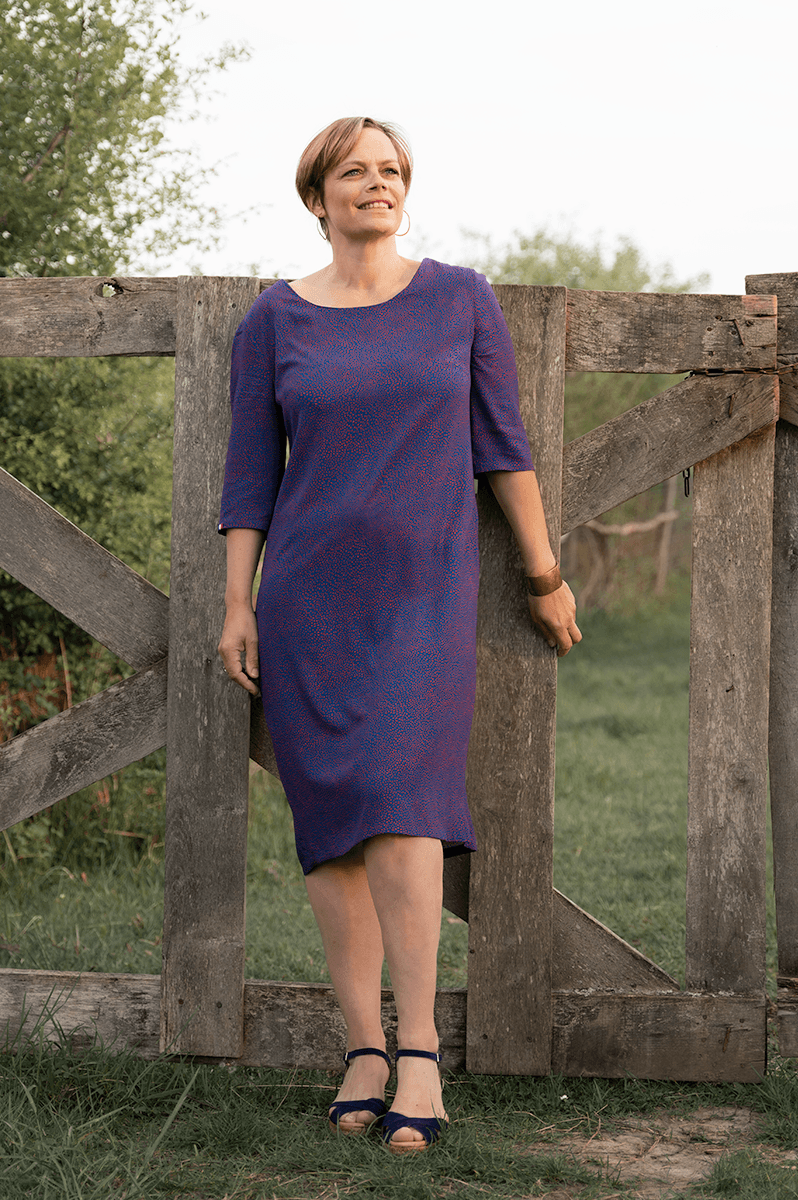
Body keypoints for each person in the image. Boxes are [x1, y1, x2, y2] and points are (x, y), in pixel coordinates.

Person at [217, 116, 581, 1153]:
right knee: (332, 821)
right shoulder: (274, 320)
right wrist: (238, 603)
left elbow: (501, 445)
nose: (375, 184)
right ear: (317, 197)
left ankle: (418, 1050)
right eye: (354, 172)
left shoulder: (459, 299)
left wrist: (543, 572)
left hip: (423, 598)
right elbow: (251, 476)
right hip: (306, 599)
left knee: (405, 804)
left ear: (404, 191)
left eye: (390, 171)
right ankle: (362, 1049)